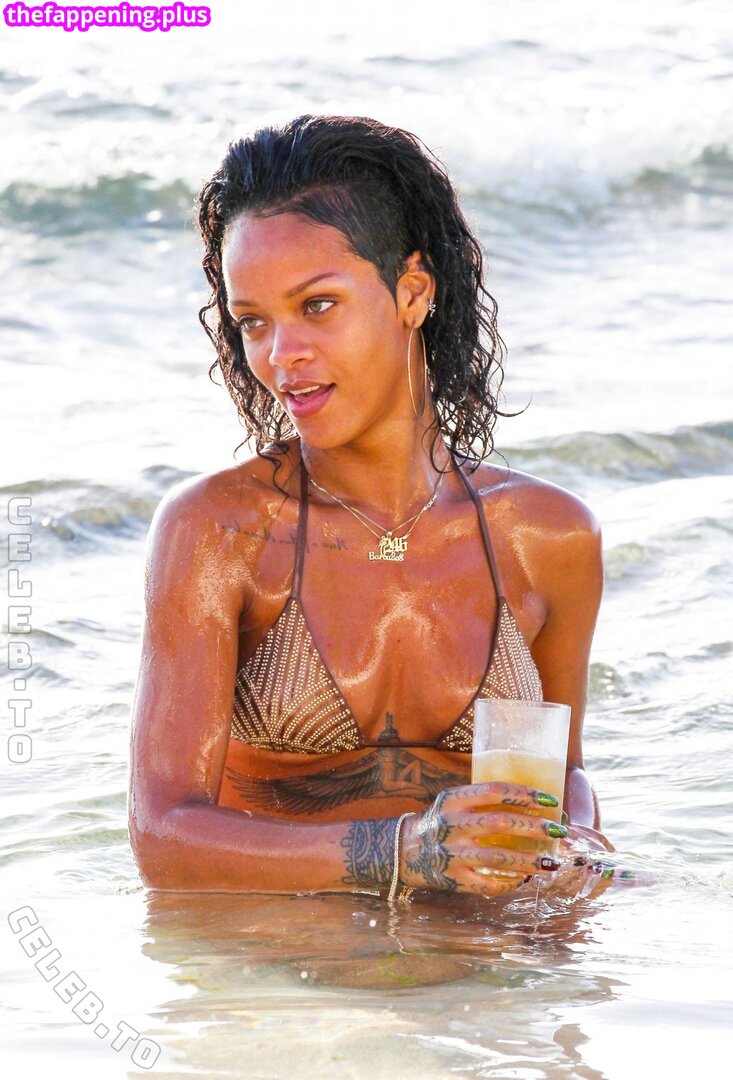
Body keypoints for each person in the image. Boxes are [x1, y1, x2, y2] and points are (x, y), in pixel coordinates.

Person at [128, 114, 610, 900]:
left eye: (317, 305)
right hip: (290, 953)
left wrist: (577, 842)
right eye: (253, 322)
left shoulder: (548, 535)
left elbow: (563, 774)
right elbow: (161, 837)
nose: (280, 355)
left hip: (485, 948)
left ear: (412, 291)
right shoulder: (219, 531)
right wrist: (401, 851)